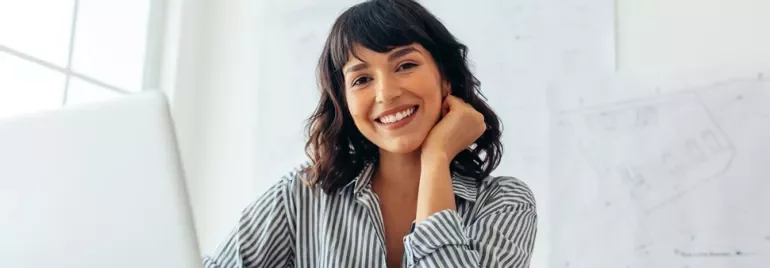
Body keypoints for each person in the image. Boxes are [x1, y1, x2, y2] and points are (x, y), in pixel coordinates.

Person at [202, 0, 537, 267]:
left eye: (405, 65)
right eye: (362, 79)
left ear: (446, 77)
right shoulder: (301, 196)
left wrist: (436, 159)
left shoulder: (505, 203)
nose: (386, 94)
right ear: (344, 101)